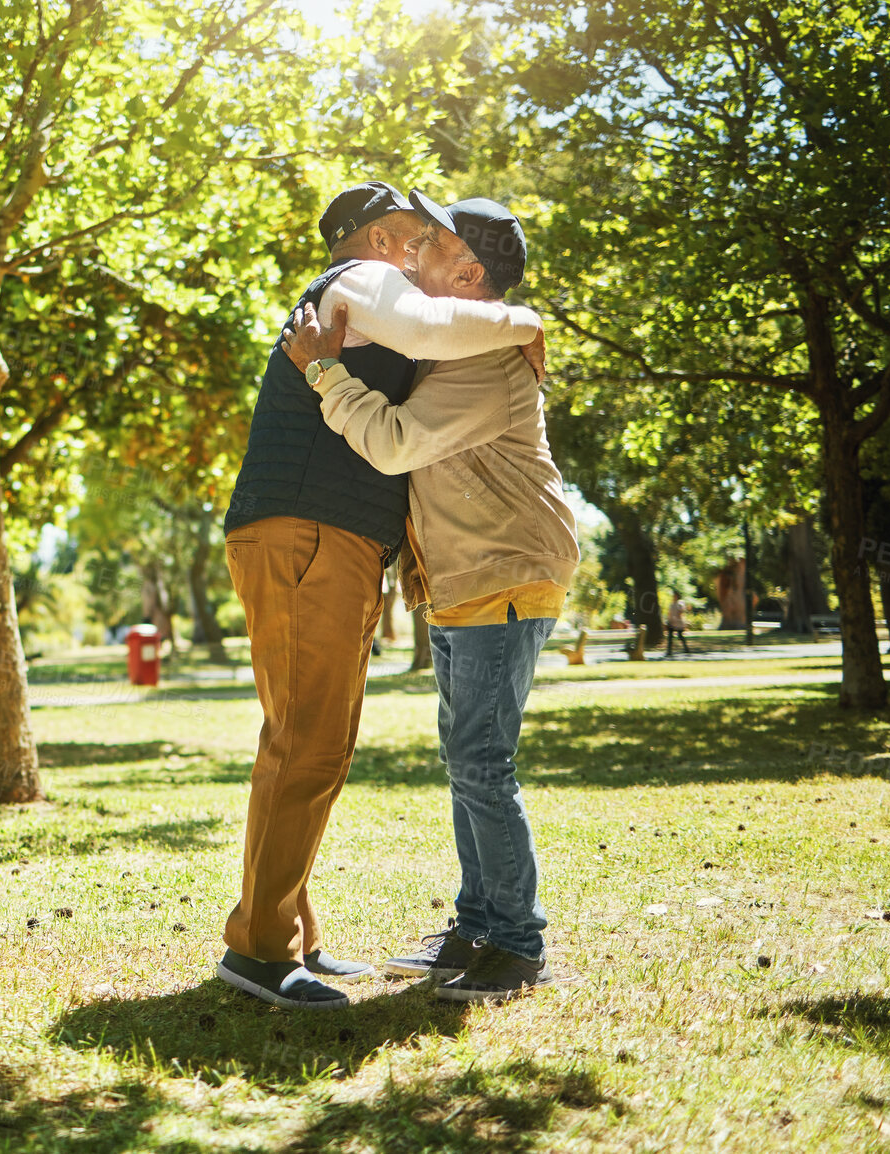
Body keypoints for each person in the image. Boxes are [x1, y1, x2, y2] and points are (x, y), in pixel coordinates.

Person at [216, 182, 545, 1010]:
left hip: (329, 539)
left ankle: (289, 937)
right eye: (405, 234)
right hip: (306, 531)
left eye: (420, 237)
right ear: (371, 239)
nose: (414, 249)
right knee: (307, 745)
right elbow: (428, 328)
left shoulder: (380, 300)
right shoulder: (357, 284)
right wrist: (529, 319)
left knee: (312, 743)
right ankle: (258, 953)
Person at [287, 192, 581, 1003]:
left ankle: (517, 947)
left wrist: (321, 371)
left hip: (504, 569)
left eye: (432, 244)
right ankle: (476, 926)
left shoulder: (483, 358)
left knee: (482, 763)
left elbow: (392, 445)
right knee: (467, 762)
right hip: (464, 576)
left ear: (467, 270)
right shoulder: (461, 343)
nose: (411, 256)